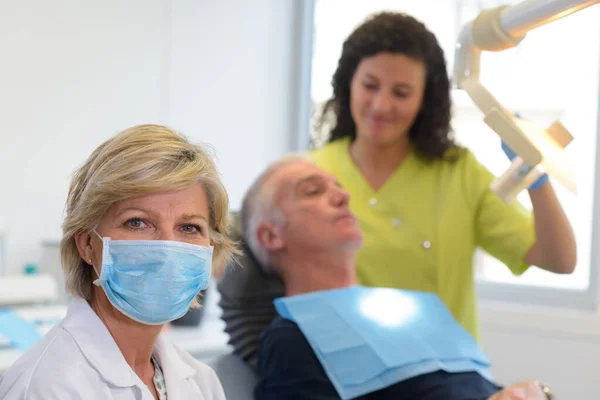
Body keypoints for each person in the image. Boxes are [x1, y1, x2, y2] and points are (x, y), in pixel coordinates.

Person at [310, 11, 576, 340]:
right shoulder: (311, 175)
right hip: (350, 374)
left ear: (425, 99)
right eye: (370, 85)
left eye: (401, 93)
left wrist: (536, 177)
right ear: (348, 82)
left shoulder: (459, 173)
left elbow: (560, 260)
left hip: (448, 378)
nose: (381, 105)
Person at [243, 155, 553, 400]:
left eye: (338, 186)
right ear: (271, 236)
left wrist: (532, 392)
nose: (343, 196)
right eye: (313, 191)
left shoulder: (408, 310)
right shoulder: (292, 337)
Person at [0, 124, 235, 399]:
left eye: (189, 228)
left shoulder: (201, 382)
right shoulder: (46, 387)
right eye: (137, 222)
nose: (166, 248)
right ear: (87, 243)